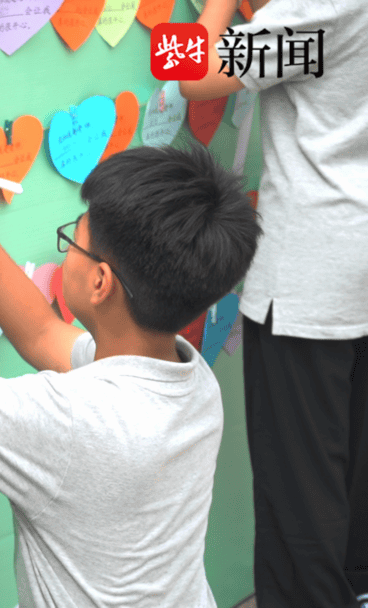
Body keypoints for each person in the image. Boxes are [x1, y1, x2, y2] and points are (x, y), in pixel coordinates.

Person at [0, 145, 260, 607]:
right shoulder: (190, 379)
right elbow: (41, 333)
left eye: (73, 241)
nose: (67, 253)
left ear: (101, 282)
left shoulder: (69, 419)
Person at [181, 2, 368, 606]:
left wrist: (214, 7)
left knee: (302, 514)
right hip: (353, 274)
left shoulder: (321, 11)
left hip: (311, 284)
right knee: (353, 496)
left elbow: (191, 70)